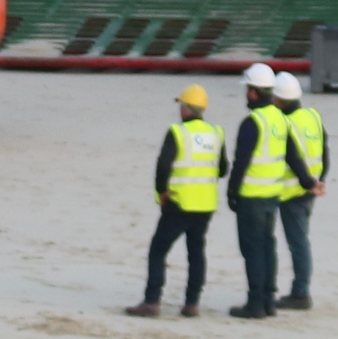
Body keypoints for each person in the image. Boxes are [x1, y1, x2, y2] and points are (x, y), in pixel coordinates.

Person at [125, 82, 226, 318]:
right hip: (206, 204)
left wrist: (162, 190)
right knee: (196, 252)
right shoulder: (216, 133)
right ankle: (192, 303)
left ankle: (152, 301)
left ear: (185, 109)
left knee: (158, 250)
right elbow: (222, 169)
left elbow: (163, 165)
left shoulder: (178, 132)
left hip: (179, 202)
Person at [226, 63, 302, 318]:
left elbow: (241, 162)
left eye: (248, 89)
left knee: (253, 250)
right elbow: (293, 156)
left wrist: (231, 192)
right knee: (268, 247)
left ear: (254, 92)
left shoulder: (252, 122)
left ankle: (255, 303)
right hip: (272, 195)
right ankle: (268, 300)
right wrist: (310, 182)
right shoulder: (281, 119)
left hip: (251, 197)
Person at [271, 71, 327, 311]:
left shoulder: (285, 123)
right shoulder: (312, 116)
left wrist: (308, 182)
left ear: (279, 100)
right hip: (311, 191)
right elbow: (325, 151)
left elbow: (293, 159)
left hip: (292, 192)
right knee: (300, 240)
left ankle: (301, 293)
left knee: (298, 242)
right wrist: (319, 181)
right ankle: (300, 290)